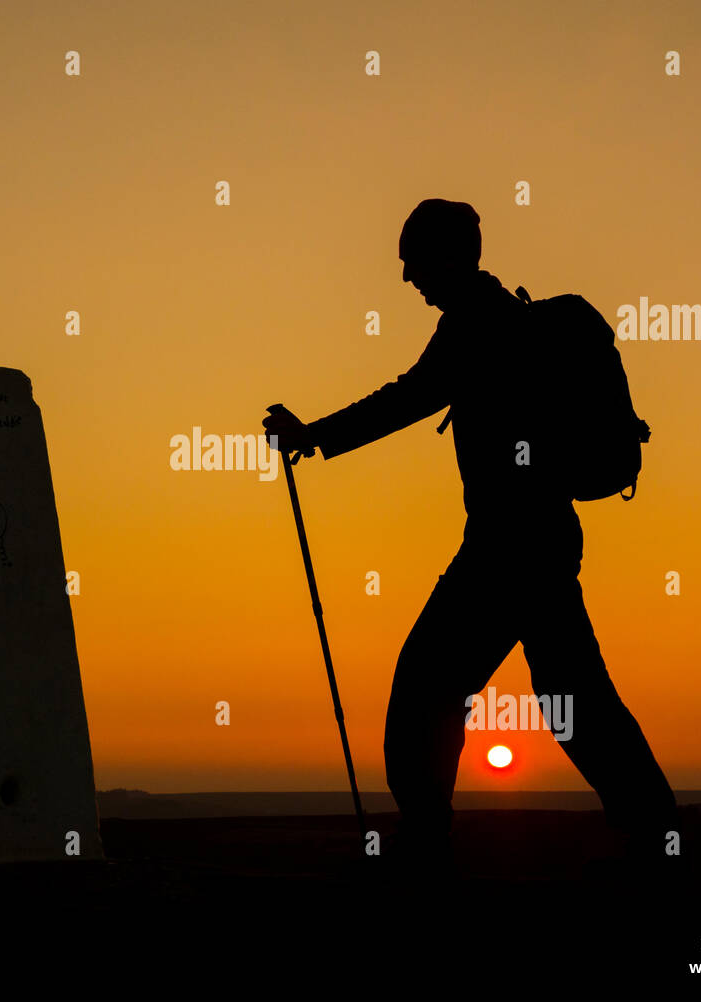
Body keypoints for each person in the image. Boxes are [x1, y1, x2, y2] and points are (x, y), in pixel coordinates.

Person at [263, 199, 678, 870]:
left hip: (504, 548)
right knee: (575, 699)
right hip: (544, 537)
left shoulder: (474, 326)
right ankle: (656, 835)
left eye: (412, 261)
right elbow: (416, 392)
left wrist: (314, 436)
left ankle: (425, 841)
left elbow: (408, 397)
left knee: (427, 688)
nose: (406, 278)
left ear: (445, 257)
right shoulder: (506, 322)